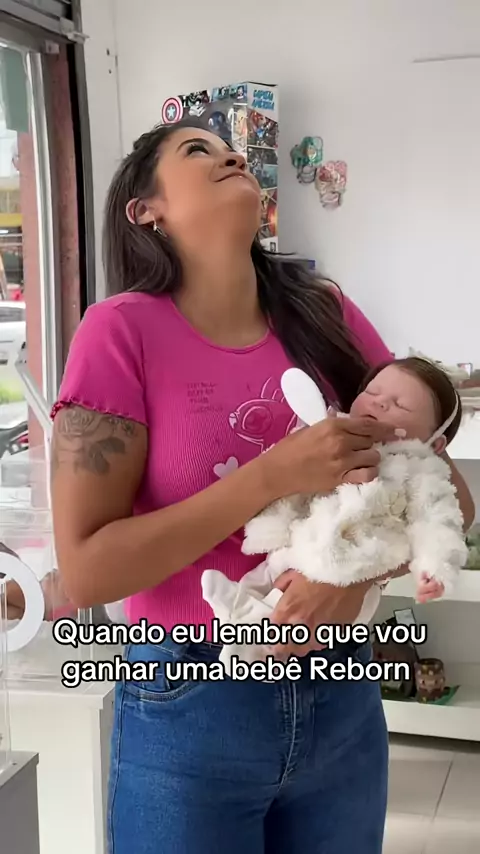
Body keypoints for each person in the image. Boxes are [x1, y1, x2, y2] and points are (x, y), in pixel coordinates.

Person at [49, 119, 475, 854]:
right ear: (145, 210)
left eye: (232, 148)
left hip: (341, 687)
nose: (232, 156)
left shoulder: (325, 312)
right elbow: (87, 570)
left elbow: (447, 496)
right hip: (189, 700)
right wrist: (272, 477)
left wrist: (349, 576)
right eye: (199, 151)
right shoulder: (117, 332)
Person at [204, 356, 468, 672]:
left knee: (283, 616)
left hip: (354, 567)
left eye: (400, 405)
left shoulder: (422, 475)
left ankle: (255, 648)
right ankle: (239, 611)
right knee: (267, 579)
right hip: (300, 548)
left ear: (435, 443)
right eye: (372, 392)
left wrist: (434, 566)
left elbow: (439, 521)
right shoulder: (334, 439)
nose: (380, 403)